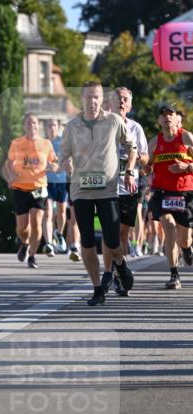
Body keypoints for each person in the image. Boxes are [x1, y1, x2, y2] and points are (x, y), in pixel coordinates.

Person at [59, 82, 137, 306]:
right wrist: (65, 164)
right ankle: (97, 289)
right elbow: (63, 156)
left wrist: (129, 171)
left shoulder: (113, 121)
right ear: (81, 99)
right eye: (88, 97)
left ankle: (120, 264)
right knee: (87, 242)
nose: (92, 102)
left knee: (112, 242)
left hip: (108, 189)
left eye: (96, 97)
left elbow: (131, 147)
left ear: (102, 99)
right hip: (81, 190)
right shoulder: (71, 126)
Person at [99, 87, 148, 296]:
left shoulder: (136, 128)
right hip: (106, 186)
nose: (121, 102)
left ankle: (119, 273)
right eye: (118, 98)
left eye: (125, 99)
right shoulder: (102, 126)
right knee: (109, 231)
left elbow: (146, 159)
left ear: (130, 105)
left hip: (129, 186)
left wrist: (133, 157)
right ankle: (108, 273)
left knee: (123, 233)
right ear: (109, 102)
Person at [146, 102, 193, 291]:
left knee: (184, 239)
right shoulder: (155, 141)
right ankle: (174, 274)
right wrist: (143, 167)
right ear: (159, 120)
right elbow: (147, 165)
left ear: (176, 118)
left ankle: (187, 249)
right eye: (163, 115)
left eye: (170, 115)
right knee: (169, 228)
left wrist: (187, 167)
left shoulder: (186, 137)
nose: (167, 118)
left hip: (185, 193)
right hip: (162, 193)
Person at [5, 113, 58, 269]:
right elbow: (9, 163)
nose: (32, 125)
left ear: (38, 126)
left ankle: (33, 256)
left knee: (36, 222)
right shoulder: (16, 143)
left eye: (34, 123)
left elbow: (54, 162)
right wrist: (10, 177)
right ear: (24, 126)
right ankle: (24, 243)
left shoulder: (46, 143)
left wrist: (53, 167)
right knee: (22, 228)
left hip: (39, 187)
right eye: (28, 123)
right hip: (20, 188)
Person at [42, 118, 68, 256]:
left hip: (62, 182)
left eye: (54, 125)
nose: (51, 128)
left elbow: (69, 159)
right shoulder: (42, 143)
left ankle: (58, 233)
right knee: (48, 213)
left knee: (62, 213)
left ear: (58, 127)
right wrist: (46, 166)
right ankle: (49, 244)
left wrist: (59, 165)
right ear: (46, 128)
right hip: (46, 183)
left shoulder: (63, 142)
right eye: (49, 125)